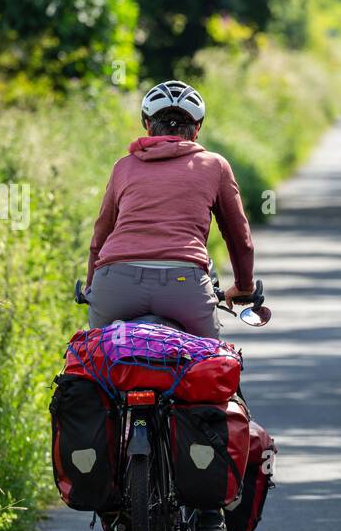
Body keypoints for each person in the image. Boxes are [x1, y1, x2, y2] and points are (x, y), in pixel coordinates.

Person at [85, 80, 256, 339]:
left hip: (116, 286)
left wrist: (90, 288)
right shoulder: (215, 166)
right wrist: (244, 287)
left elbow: (100, 237)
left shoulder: (123, 167)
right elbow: (238, 238)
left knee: (96, 359)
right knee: (211, 362)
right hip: (183, 286)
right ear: (197, 129)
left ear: (147, 125)